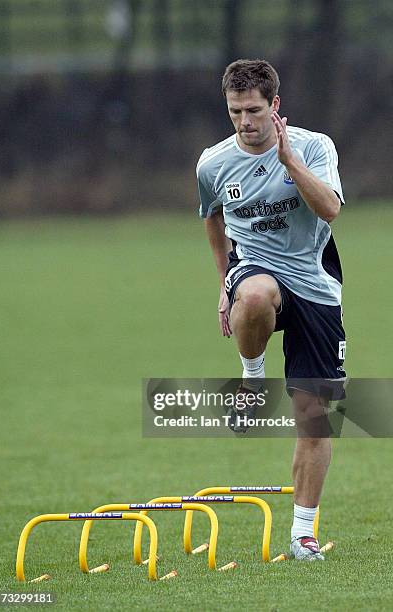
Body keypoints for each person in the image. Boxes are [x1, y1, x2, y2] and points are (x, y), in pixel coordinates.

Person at [196, 59, 346, 561]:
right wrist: (224, 283)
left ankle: (302, 535)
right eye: (235, 111)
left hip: (316, 283)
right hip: (256, 270)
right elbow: (213, 218)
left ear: (275, 106)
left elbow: (329, 208)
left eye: (254, 110)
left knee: (315, 415)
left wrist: (290, 163)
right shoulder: (212, 164)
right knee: (255, 295)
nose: (244, 121)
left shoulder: (314, 147)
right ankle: (252, 377)